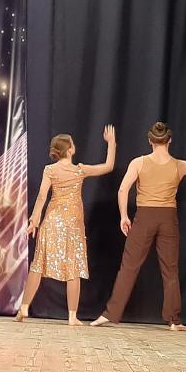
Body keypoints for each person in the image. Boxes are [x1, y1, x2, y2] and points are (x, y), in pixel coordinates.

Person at [91, 122, 186, 331]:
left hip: (145, 217)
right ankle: (174, 320)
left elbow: (123, 190)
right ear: (169, 140)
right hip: (168, 219)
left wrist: (124, 216)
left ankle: (109, 314)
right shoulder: (179, 165)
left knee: (129, 267)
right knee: (170, 270)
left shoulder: (139, 162)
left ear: (150, 141)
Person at [16, 125, 116, 325]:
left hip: (52, 221)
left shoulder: (50, 170)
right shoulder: (79, 170)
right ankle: (72, 316)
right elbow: (108, 166)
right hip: (72, 225)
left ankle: (24, 307)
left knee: (38, 265)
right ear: (69, 150)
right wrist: (111, 143)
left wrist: (34, 220)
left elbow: (42, 196)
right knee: (73, 267)